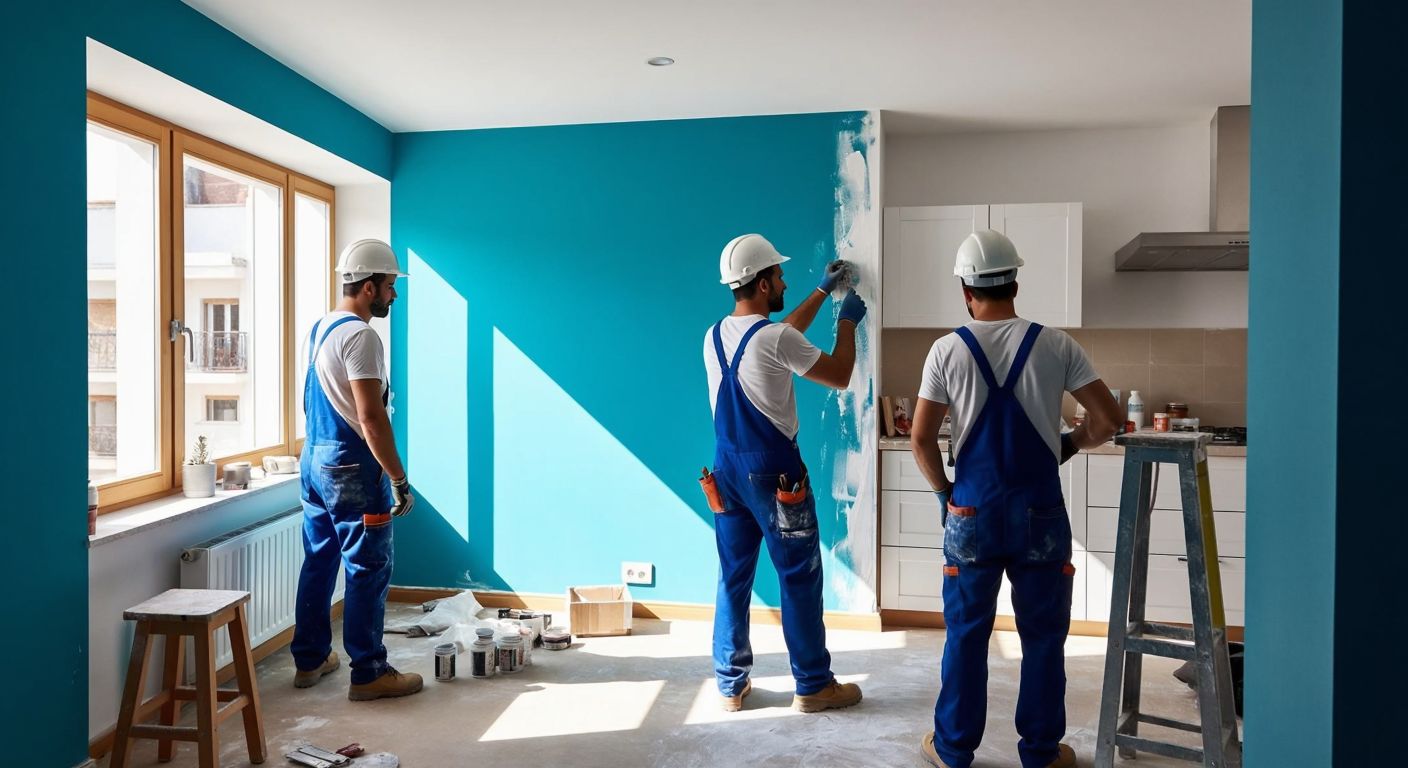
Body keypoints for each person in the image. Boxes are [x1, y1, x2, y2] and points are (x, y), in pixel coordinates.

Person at [912, 230, 1122, 768]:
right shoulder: (1055, 344)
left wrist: (944, 493)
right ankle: (1042, 753)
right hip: (1041, 518)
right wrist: (1066, 445)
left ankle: (954, 749)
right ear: (1016, 282)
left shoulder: (946, 350)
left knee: (965, 636)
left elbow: (920, 439)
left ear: (966, 289)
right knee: (1044, 638)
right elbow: (1108, 421)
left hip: (971, 514)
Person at [703, 233, 867, 714]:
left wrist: (819, 292)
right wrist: (847, 322)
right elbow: (838, 374)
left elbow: (775, 341)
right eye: (778, 275)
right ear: (761, 283)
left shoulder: (714, 336)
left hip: (726, 473)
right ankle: (813, 685)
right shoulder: (774, 339)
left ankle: (731, 685)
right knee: (798, 576)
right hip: (776, 478)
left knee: (733, 576)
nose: (784, 280)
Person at [290, 238, 422, 701]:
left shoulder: (322, 328)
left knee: (320, 558)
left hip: (316, 461)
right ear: (369, 287)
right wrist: (400, 480)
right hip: (350, 466)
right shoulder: (362, 336)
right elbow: (370, 417)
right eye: (390, 286)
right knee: (368, 566)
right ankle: (368, 672)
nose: (394, 295)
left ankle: (310, 660)